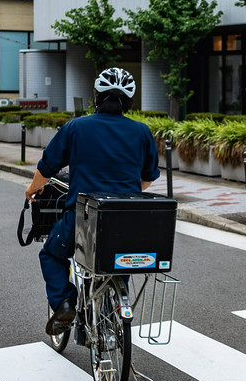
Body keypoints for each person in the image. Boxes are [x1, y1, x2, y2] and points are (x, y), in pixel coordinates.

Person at [24, 67, 160, 335]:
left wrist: (32, 189)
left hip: (83, 216)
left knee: (51, 253)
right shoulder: (142, 132)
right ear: (129, 102)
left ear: (95, 97)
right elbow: (147, 178)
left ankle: (64, 302)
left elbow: (47, 166)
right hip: (126, 217)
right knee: (118, 255)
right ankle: (117, 305)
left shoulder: (76, 127)